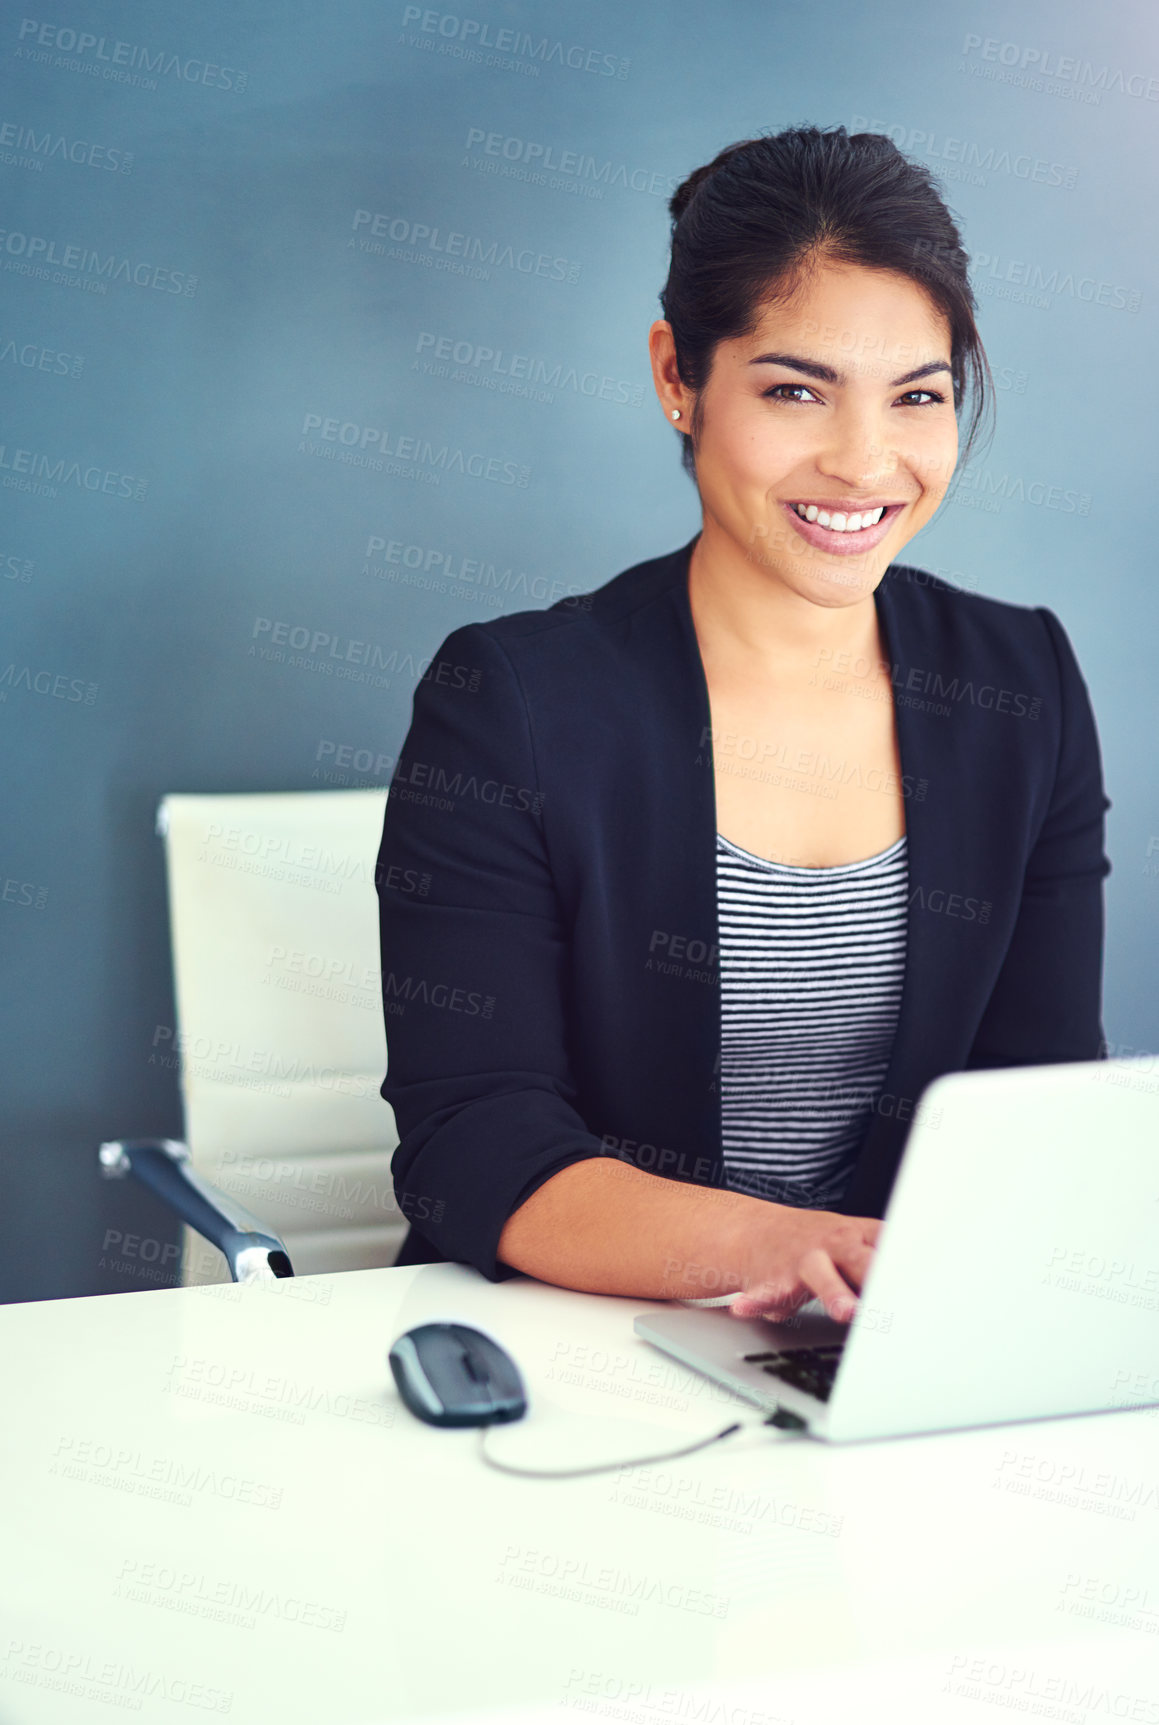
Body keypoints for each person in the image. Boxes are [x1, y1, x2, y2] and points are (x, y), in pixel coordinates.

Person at [374, 125, 1111, 1327]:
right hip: (585, 1332)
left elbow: (1034, 1100)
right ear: (678, 376)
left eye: (917, 397)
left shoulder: (1016, 680)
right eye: (793, 391)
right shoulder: (510, 698)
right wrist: (791, 1252)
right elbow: (474, 1141)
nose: (865, 462)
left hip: (885, 1340)